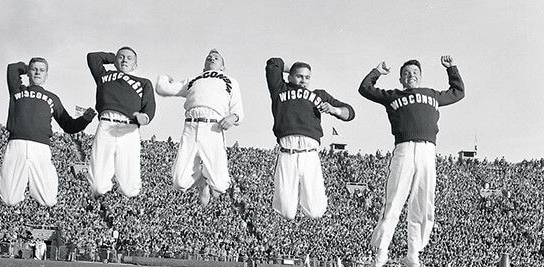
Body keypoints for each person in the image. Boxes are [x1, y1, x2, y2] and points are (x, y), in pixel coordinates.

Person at [359, 56, 465, 267]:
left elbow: (458, 92)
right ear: (401, 78)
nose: (411, 75)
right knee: (394, 201)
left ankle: (413, 255)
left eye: (414, 72)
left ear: (420, 76)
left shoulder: (432, 94)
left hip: (428, 151)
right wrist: (377, 71)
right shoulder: (393, 96)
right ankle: (381, 254)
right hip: (404, 149)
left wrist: (451, 68)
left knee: (423, 204)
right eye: (406, 73)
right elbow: (365, 89)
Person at [264, 57, 355, 220]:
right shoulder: (280, 89)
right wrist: (293, 67)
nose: (303, 80)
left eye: (307, 77)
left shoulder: (319, 95)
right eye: (299, 76)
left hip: (310, 153)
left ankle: (312, 196)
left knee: (315, 212)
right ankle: (293, 199)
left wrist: (334, 110)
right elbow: (273, 64)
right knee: (286, 212)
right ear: (290, 76)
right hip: (287, 152)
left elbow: (350, 113)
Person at [0, 58, 96, 207]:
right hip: (16, 144)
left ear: (46, 75)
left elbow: (68, 125)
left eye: (42, 70)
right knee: (9, 199)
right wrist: (28, 67)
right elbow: (12, 68)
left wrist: (85, 119)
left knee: (48, 200)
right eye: (34, 69)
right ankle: (23, 196)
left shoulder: (52, 98)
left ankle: (34, 191)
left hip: (41, 147)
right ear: (28, 72)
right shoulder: (17, 90)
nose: (38, 72)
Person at [156, 49, 244, 205]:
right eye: (209, 57)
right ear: (204, 66)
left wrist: (233, 117)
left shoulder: (229, 81)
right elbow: (165, 89)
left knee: (220, 186)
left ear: (223, 67)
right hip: (191, 125)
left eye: (216, 58)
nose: (212, 58)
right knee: (179, 182)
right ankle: (201, 183)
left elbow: (238, 110)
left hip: (213, 127)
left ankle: (207, 181)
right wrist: (164, 79)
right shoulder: (194, 79)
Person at [86, 47, 156, 198]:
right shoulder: (104, 76)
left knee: (130, 190)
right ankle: (105, 198)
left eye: (129, 58)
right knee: (97, 186)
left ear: (135, 65)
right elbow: (92, 57)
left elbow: (149, 107)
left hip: (128, 128)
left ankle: (117, 199)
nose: (125, 60)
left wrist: (145, 117)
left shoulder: (143, 82)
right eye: (121, 57)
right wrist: (114, 57)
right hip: (106, 124)